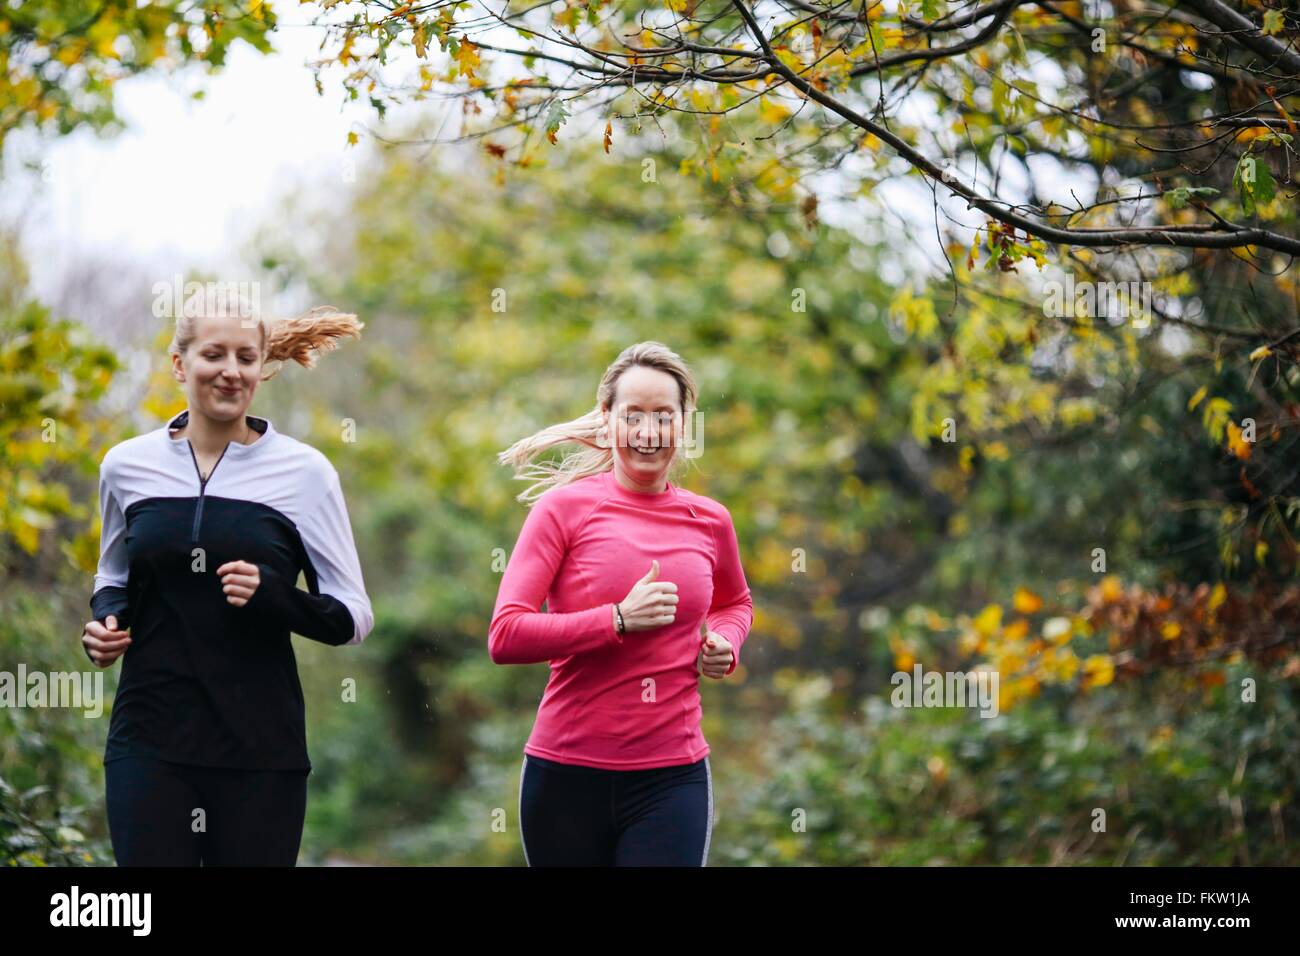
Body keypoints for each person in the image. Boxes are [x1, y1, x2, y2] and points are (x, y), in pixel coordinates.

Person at [82, 290, 374, 866]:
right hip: (150, 740)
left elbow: (354, 616)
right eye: (214, 354)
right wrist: (104, 624)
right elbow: (112, 573)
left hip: (260, 751)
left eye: (246, 358)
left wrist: (275, 598)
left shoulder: (305, 473)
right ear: (179, 364)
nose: (231, 371)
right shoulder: (125, 466)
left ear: (262, 370)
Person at [490, 341, 753, 866]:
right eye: (634, 416)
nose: (649, 433)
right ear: (608, 417)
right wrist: (616, 620)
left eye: (664, 415)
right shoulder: (562, 510)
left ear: (685, 422)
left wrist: (725, 640)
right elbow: (506, 635)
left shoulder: (710, 521)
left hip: (671, 779)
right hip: (566, 776)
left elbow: (736, 602)